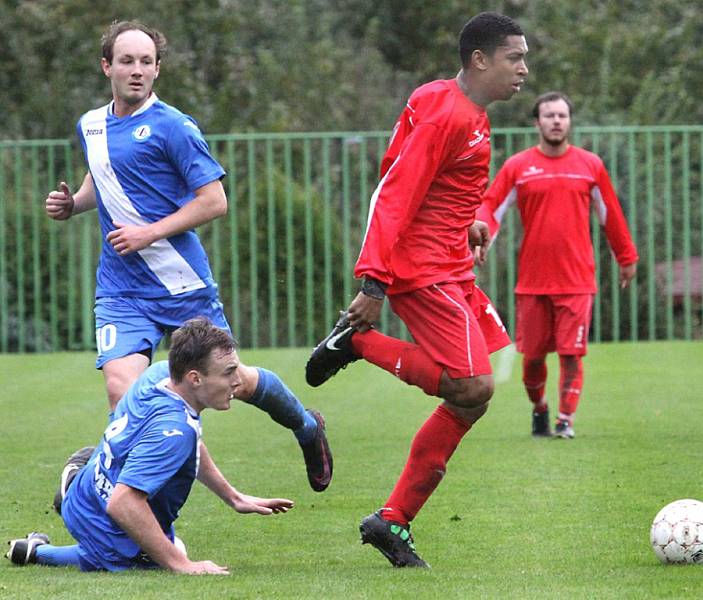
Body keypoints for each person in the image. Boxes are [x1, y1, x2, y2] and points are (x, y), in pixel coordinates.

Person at [43, 20, 332, 492]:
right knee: (125, 395)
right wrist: (73, 204)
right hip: (121, 290)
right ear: (106, 67)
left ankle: (306, 427)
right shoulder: (90, 124)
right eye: (126, 61)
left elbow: (214, 200)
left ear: (157, 70)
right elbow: (104, 175)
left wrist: (148, 233)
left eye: (146, 62)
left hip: (181, 285)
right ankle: (133, 512)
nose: (136, 71)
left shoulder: (174, 127)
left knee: (233, 383)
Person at [305, 12, 528, 567]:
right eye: (515, 57)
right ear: (480, 60)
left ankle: (392, 521)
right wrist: (373, 281)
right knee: (473, 386)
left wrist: (471, 218)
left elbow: (446, 182)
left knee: (472, 397)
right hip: (421, 269)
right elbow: (394, 193)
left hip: (451, 261)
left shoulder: (461, 108)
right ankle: (357, 342)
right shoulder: (448, 113)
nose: (524, 68)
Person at [6, 318, 294, 574]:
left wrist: (233, 497)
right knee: (164, 553)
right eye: (228, 372)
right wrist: (183, 565)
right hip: (106, 520)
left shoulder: (160, 374)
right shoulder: (174, 431)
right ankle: (42, 552)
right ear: (195, 378)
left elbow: (187, 442)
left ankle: (61, 502)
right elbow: (123, 503)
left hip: (89, 491)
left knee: (156, 543)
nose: (237, 380)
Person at [475, 91, 638, 439]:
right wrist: (481, 235)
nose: (556, 121)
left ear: (569, 121)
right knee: (532, 359)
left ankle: (565, 420)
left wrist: (626, 258)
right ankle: (540, 409)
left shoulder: (589, 165)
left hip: (577, 280)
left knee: (570, 354)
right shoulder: (519, 167)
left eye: (562, 115)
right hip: (533, 281)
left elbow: (611, 214)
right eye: (549, 115)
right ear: (537, 123)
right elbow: (491, 206)